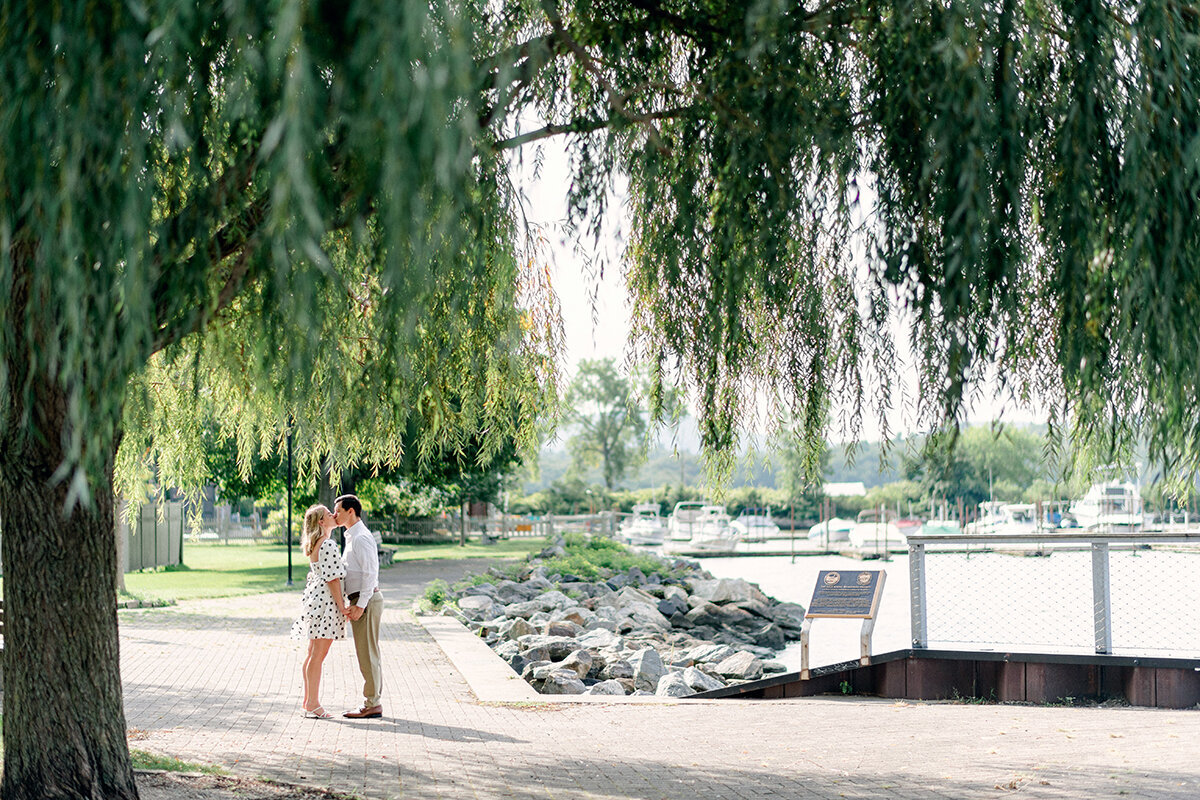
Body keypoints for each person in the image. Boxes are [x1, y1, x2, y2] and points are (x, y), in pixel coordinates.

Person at [290, 504, 347, 719]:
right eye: (328, 514)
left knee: (313, 654)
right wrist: (342, 607)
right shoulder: (328, 544)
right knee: (317, 656)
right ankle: (313, 703)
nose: (334, 516)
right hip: (326, 604)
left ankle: (308, 702)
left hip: (316, 602)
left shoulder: (316, 544)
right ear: (321, 522)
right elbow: (333, 578)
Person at [333, 493, 384, 719]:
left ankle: (372, 703)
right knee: (367, 652)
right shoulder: (353, 537)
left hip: (366, 600)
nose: (335, 515)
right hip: (360, 599)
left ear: (350, 511)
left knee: (367, 652)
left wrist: (361, 605)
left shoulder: (361, 537)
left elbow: (370, 574)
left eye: (338, 511)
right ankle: (372, 700)